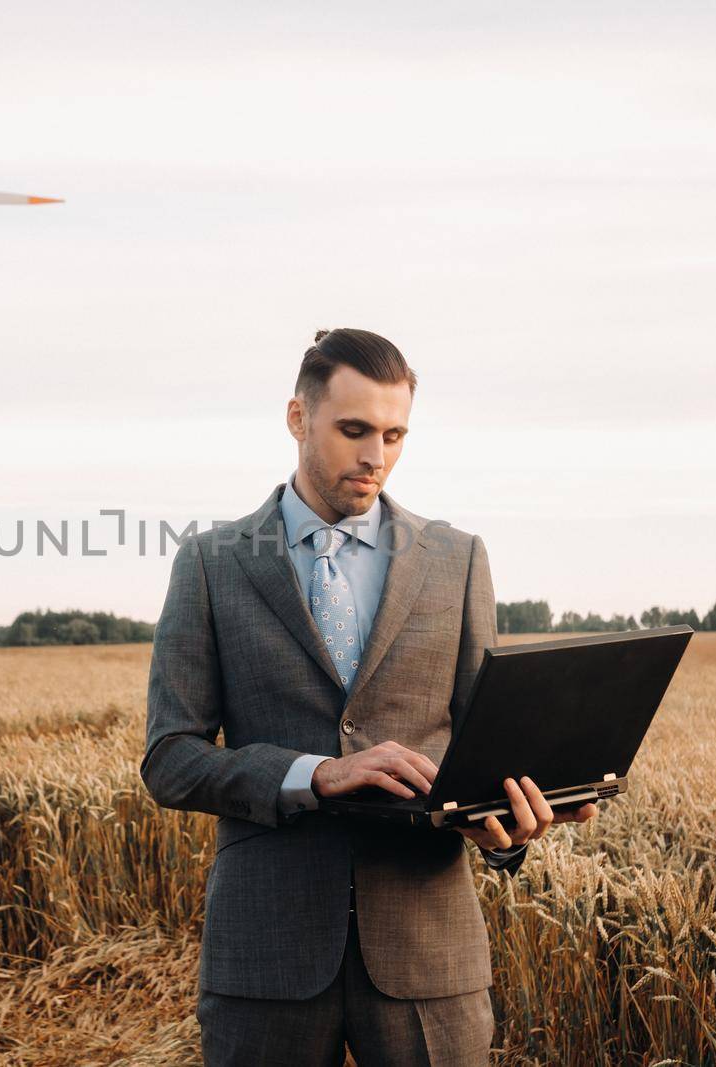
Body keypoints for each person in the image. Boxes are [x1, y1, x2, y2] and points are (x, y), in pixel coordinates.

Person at [140, 328, 598, 1065]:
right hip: (266, 956)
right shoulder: (210, 563)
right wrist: (313, 773)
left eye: (393, 434)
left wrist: (502, 828)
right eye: (353, 429)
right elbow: (170, 759)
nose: (375, 455)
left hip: (428, 953)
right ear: (297, 418)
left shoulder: (458, 558)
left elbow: (486, 740)